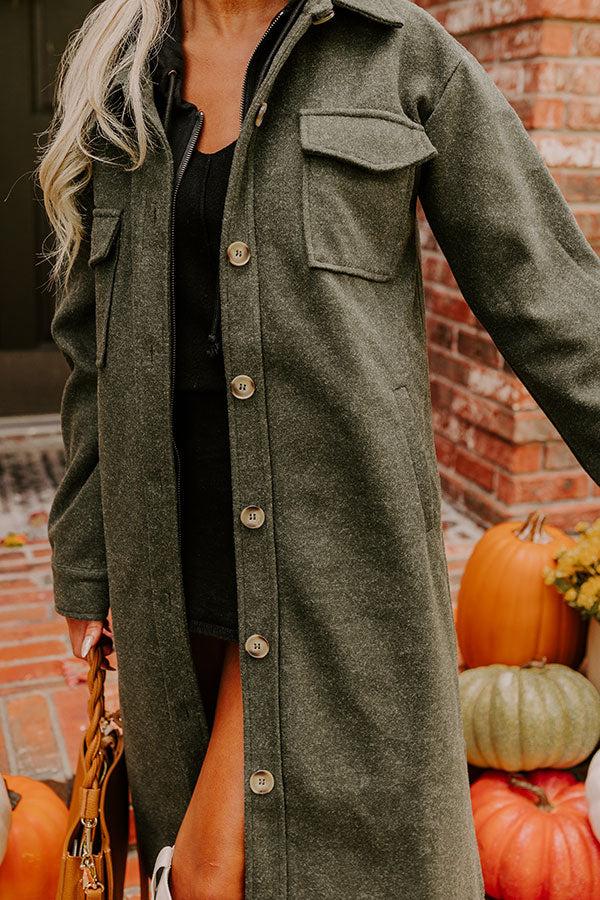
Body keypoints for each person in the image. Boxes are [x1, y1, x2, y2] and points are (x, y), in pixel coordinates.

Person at [37, 0, 600, 897]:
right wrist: (85, 564)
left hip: (334, 568)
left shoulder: (394, 52)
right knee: (199, 862)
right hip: (170, 573)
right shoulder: (121, 75)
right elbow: (88, 348)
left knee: (241, 874)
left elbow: (552, 296)